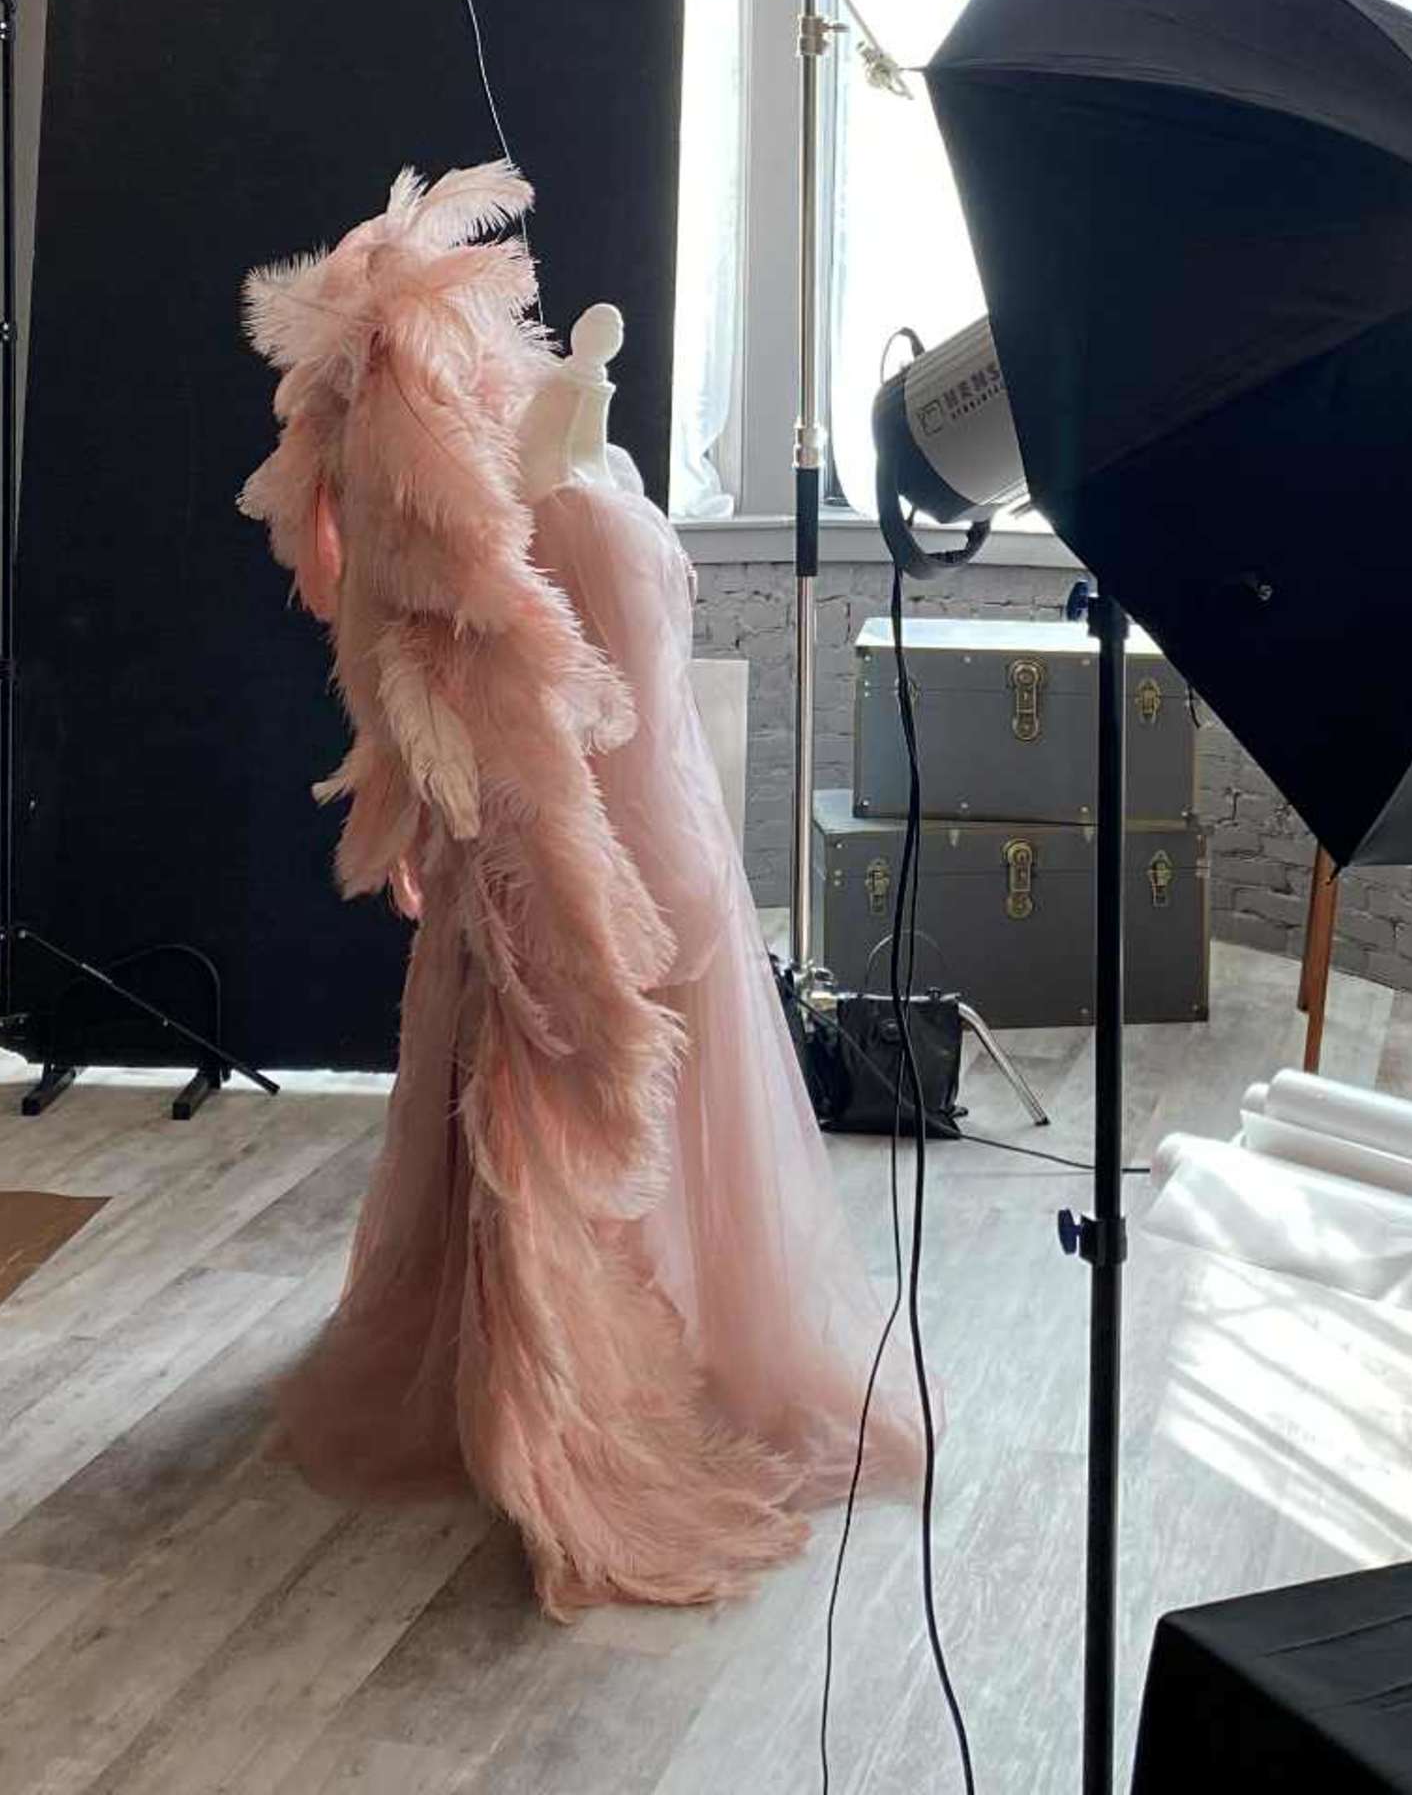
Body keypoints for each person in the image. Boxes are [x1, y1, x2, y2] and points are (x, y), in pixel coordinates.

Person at [239, 165, 922, 1613]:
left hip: (649, 845)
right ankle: (534, 1378)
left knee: (662, 1106)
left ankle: (657, 1335)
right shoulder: (467, 496)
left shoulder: (532, 445)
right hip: (557, 851)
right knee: (530, 1113)